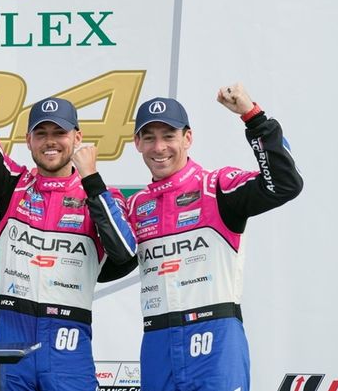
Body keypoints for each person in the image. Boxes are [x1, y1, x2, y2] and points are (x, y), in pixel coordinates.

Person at [0, 3, 137, 391]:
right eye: (42, 133)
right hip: (13, 345)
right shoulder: (12, 183)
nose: (51, 141)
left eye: (60, 133)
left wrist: (93, 183)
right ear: (29, 140)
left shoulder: (100, 194)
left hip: (68, 345)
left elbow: (124, 254)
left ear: (78, 137)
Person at [126, 86, 303, 391]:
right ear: (137, 143)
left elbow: (285, 184)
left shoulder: (217, 186)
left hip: (215, 335)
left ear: (188, 138)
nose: (159, 147)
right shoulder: (135, 206)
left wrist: (254, 117)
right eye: (149, 137)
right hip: (157, 341)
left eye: (169, 136)